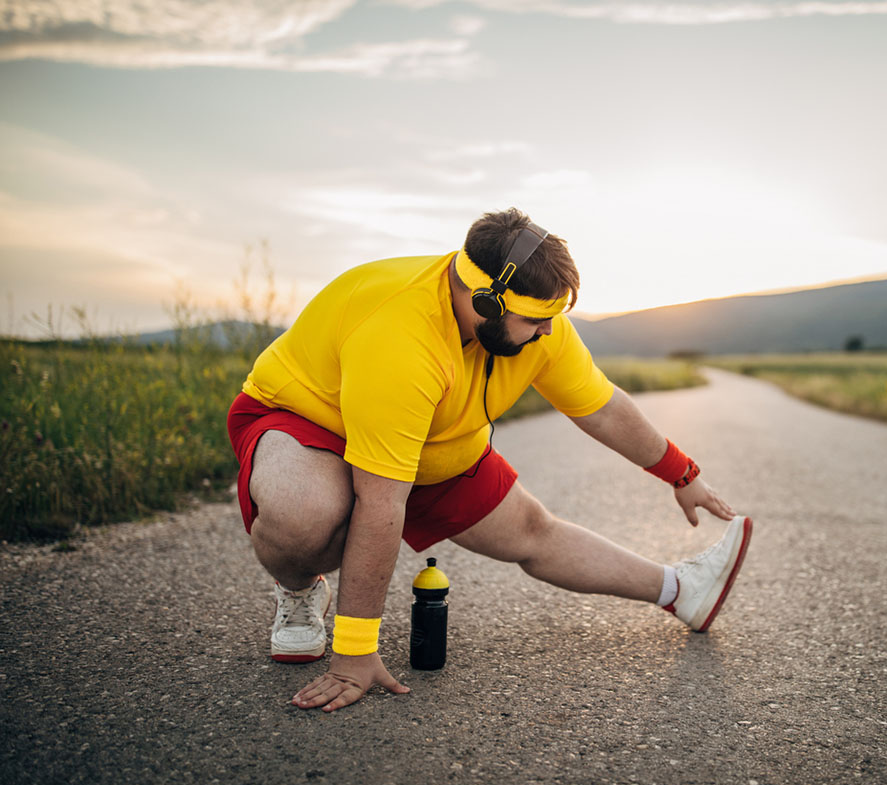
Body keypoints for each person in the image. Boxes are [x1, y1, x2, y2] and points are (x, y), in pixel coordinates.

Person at [226, 208, 753, 713]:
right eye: (536, 320)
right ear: (488, 302)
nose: (548, 332)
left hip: (431, 436)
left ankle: (684, 590)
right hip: (309, 419)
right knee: (308, 514)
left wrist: (681, 473)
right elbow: (382, 503)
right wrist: (355, 654)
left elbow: (604, 410)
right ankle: (299, 591)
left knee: (531, 531)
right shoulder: (401, 338)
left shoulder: (538, 321)